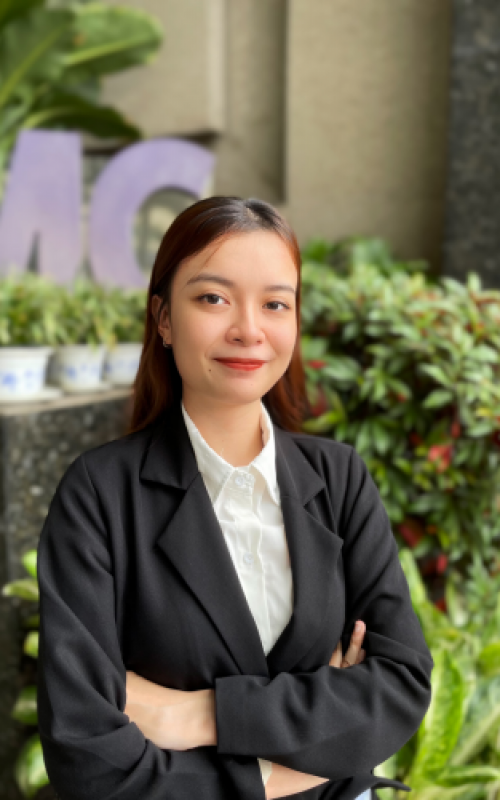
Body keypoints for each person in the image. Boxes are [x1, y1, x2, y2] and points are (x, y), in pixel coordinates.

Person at [37, 196, 434, 800]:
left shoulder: (340, 478)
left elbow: (399, 687)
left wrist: (195, 715)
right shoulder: (99, 493)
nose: (249, 329)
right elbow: (86, 758)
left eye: (275, 303)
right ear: (163, 319)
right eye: (213, 298)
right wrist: (292, 764)